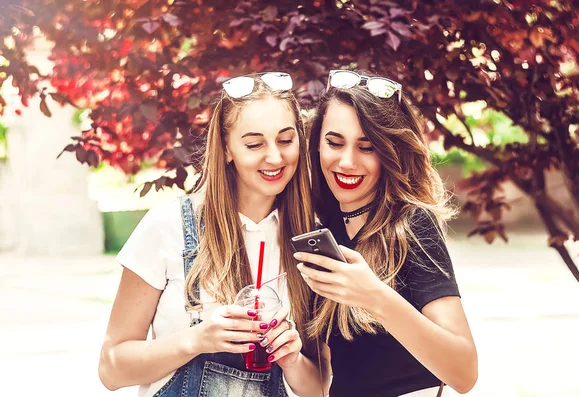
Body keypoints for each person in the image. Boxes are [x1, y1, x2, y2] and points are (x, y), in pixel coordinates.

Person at [98, 72, 329, 397]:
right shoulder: (169, 226)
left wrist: (292, 360)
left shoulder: (312, 241)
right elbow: (111, 369)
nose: (275, 157)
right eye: (254, 144)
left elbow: (320, 388)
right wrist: (196, 340)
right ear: (227, 149)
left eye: (286, 140)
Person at [294, 70, 478, 397]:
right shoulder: (319, 231)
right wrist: (289, 355)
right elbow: (322, 383)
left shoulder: (411, 224)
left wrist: (374, 297)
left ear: (390, 151)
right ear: (317, 145)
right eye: (334, 143)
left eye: (367, 147)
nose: (346, 161)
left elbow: (464, 372)